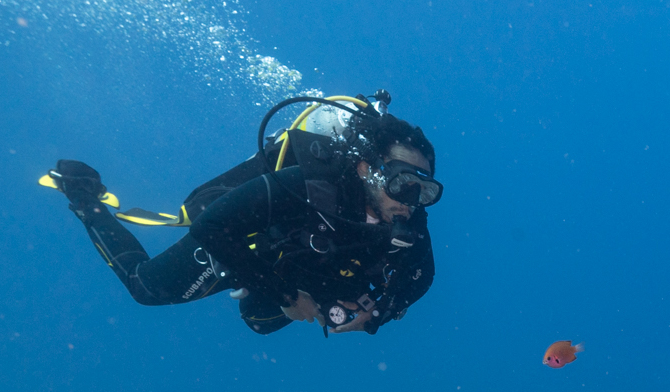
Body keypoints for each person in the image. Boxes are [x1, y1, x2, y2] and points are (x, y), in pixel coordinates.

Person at [41, 93, 439, 335]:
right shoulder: (307, 184)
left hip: (301, 268)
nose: (411, 199)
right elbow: (211, 226)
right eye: (403, 182)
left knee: (260, 323)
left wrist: (373, 320)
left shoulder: (408, 221)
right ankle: (84, 196)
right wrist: (283, 294)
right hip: (244, 242)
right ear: (366, 169)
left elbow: (421, 280)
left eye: (424, 190)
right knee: (147, 290)